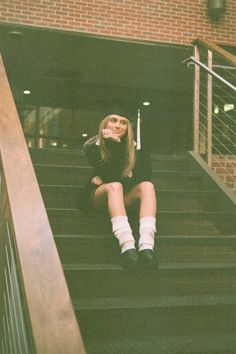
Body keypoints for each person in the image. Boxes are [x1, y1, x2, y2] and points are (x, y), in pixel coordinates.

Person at [83, 113, 157, 270]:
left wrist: (120, 177)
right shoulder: (93, 146)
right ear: (105, 123)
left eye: (123, 123)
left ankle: (146, 247)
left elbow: (145, 175)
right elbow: (111, 176)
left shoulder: (136, 146)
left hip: (122, 196)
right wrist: (114, 144)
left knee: (147, 186)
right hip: (100, 196)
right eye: (113, 120)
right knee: (115, 186)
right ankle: (127, 247)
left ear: (128, 128)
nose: (118, 125)